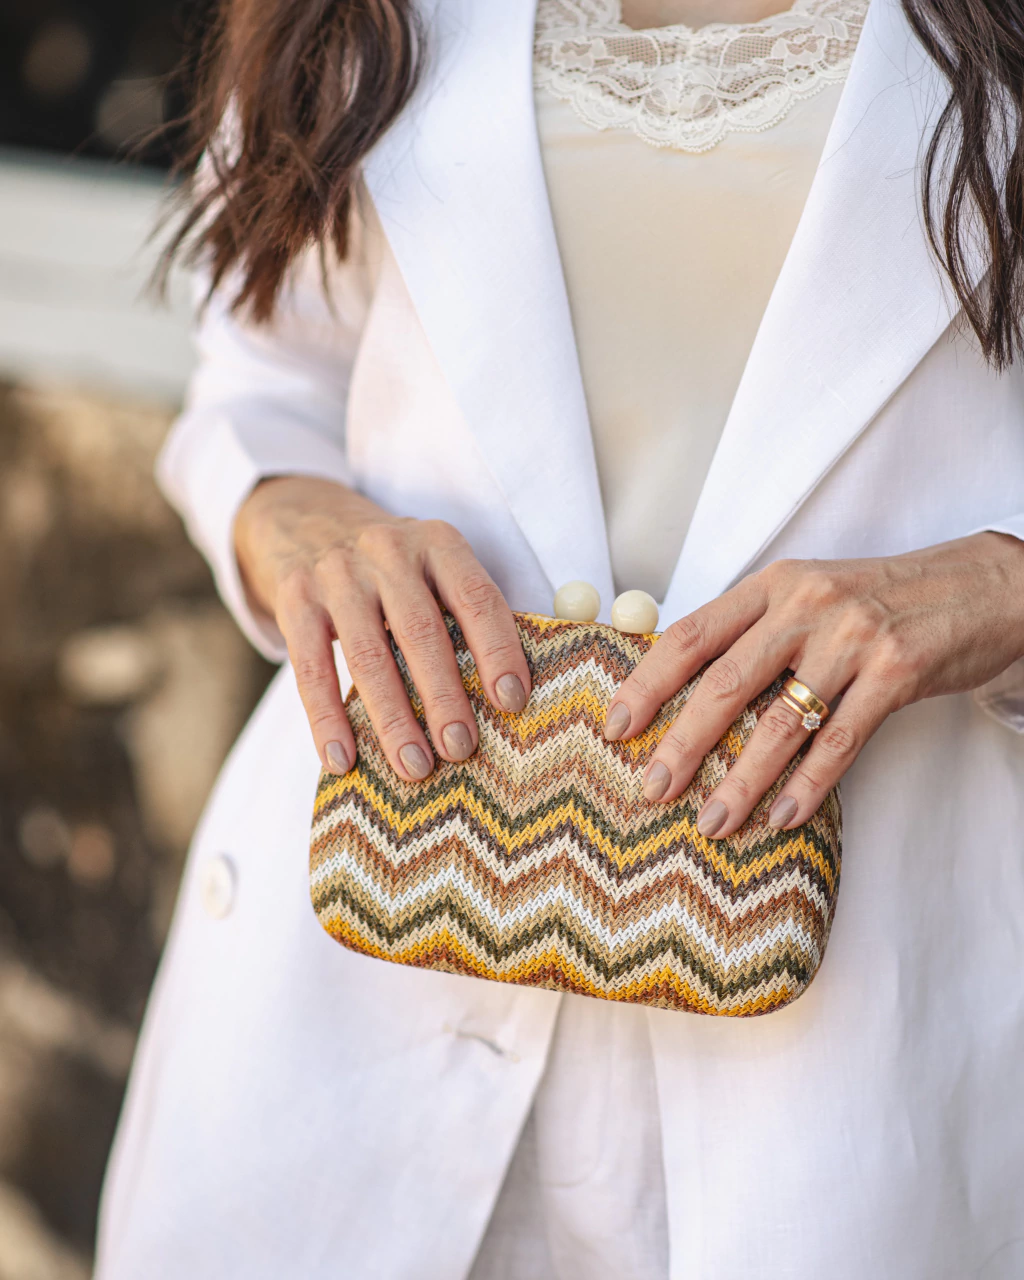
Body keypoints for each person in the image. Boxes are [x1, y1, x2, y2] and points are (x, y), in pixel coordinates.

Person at [95, 0, 1024, 1276]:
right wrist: (290, 515)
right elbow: (264, 373)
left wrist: (997, 585)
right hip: (374, 936)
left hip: (865, 1013)